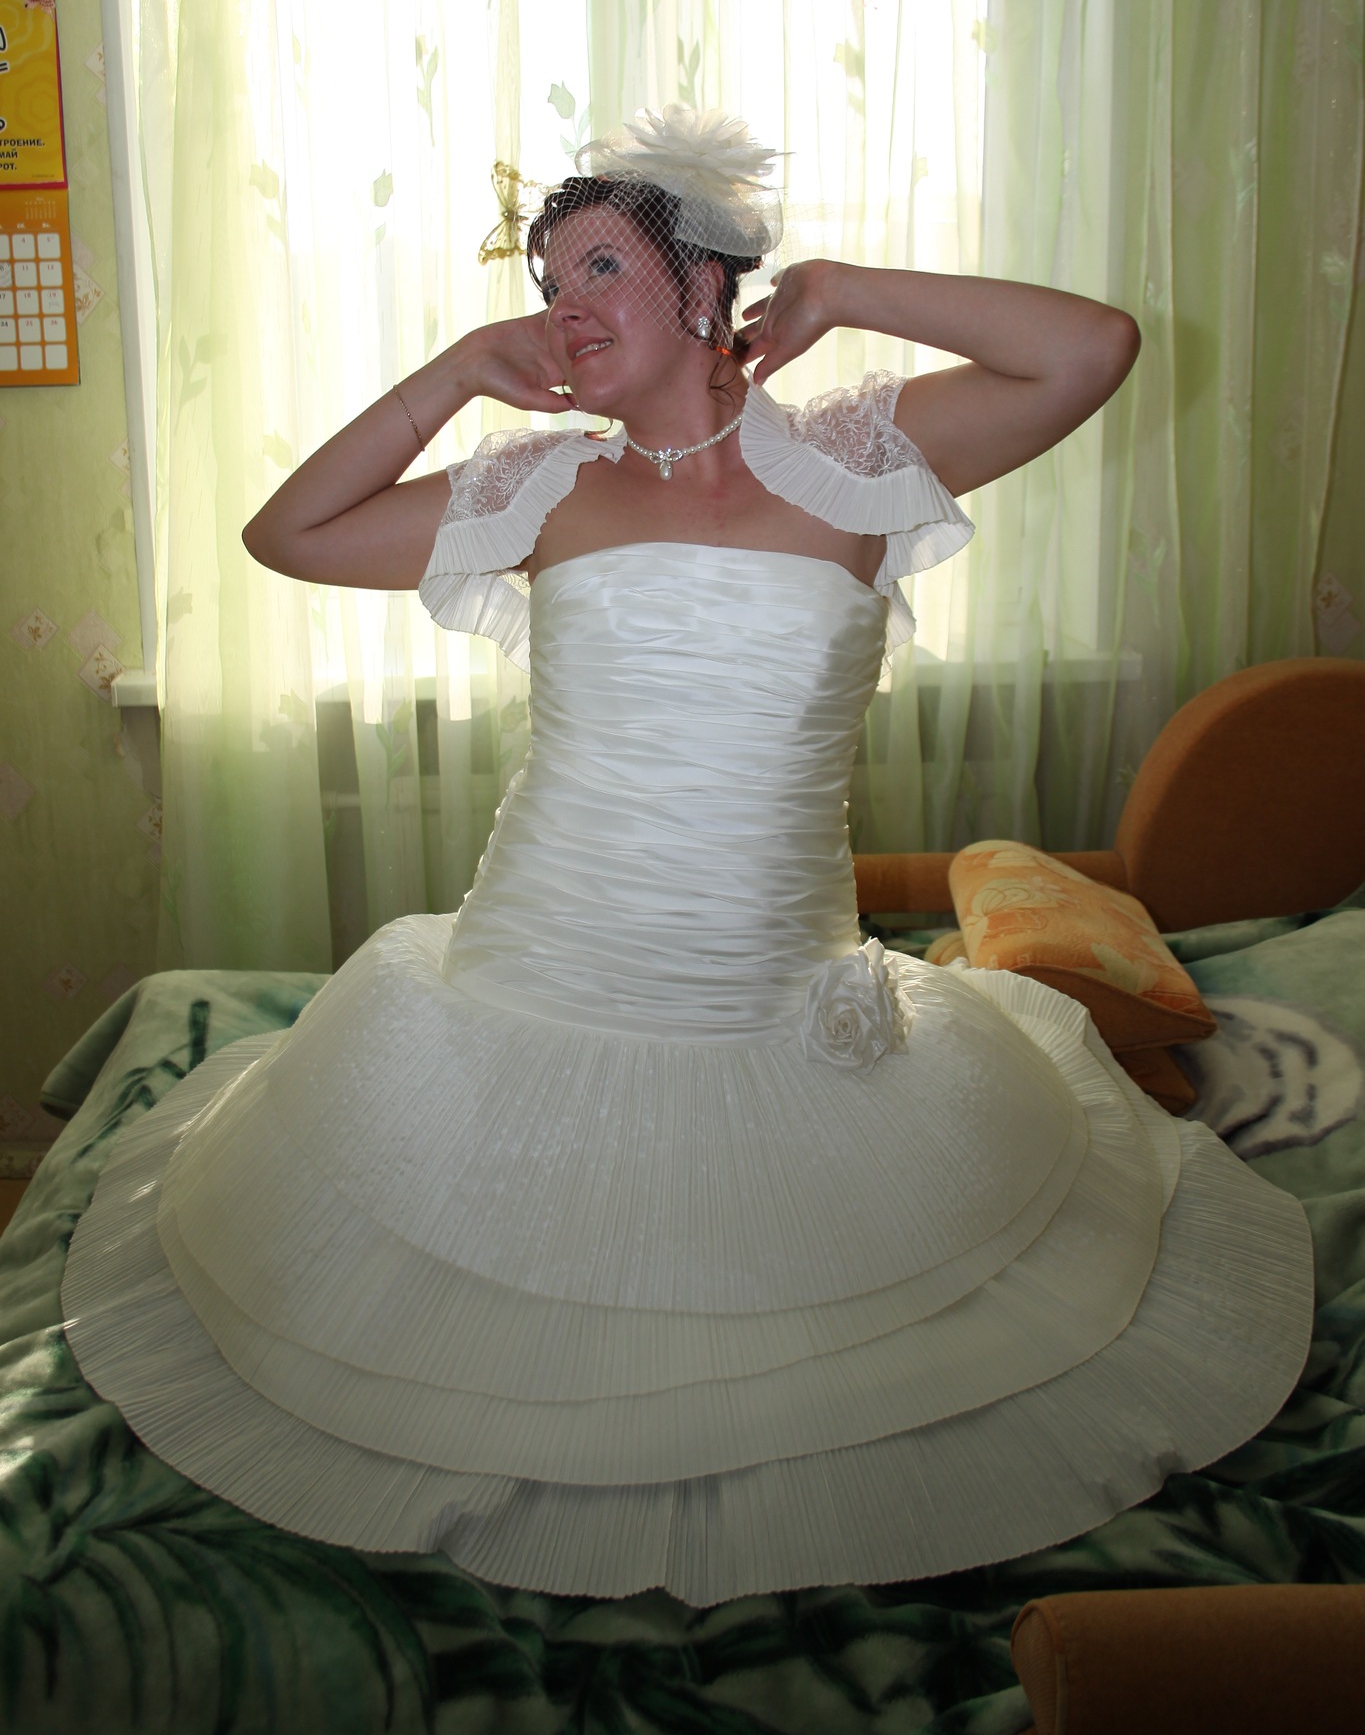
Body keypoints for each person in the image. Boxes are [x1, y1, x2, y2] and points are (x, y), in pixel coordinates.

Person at [63, 107, 1312, 1606]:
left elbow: (1092, 348)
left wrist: (846, 290)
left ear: (708, 285)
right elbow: (291, 535)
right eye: (547, 283)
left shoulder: (861, 462)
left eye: (601, 268)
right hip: (527, 977)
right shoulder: (540, 489)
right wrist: (453, 375)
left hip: (765, 998)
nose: (563, 307)